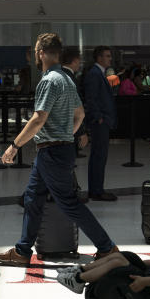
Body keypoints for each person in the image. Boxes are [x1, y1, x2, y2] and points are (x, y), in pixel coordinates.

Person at [0, 33, 118, 266]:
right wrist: (65, 133)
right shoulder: (66, 79)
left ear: (40, 53)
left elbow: (38, 119)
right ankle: (22, 251)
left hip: (52, 152)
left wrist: (14, 146)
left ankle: (107, 247)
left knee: (68, 202)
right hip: (53, 151)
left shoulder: (49, 80)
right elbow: (79, 114)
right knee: (32, 198)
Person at [56, 222, 150, 294]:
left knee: (118, 262)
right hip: (145, 277)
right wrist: (135, 263)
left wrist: (144, 280)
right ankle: (80, 269)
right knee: (122, 255)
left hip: (147, 286)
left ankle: (79, 280)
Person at [83, 45, 118, 201]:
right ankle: (96, 190)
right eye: (107, 56)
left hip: (103, 120)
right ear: (99, 58)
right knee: (99, 155)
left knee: (100, 155)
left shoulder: (101, 74)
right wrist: (98, 117)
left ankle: (96, 189)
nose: (110, 58)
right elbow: (91, 98)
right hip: (99, 121)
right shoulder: (94, 74)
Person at [61, 47, 90, 203]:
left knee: (62, 162)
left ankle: (71, 191)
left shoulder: (58, 75)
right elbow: (76, 109)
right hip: (68, 129)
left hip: (60, 128)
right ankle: (70, 193)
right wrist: (82, 131)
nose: (80, 63)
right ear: (74, 60)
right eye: (79, 60)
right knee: (67, 161)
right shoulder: (69, 78)